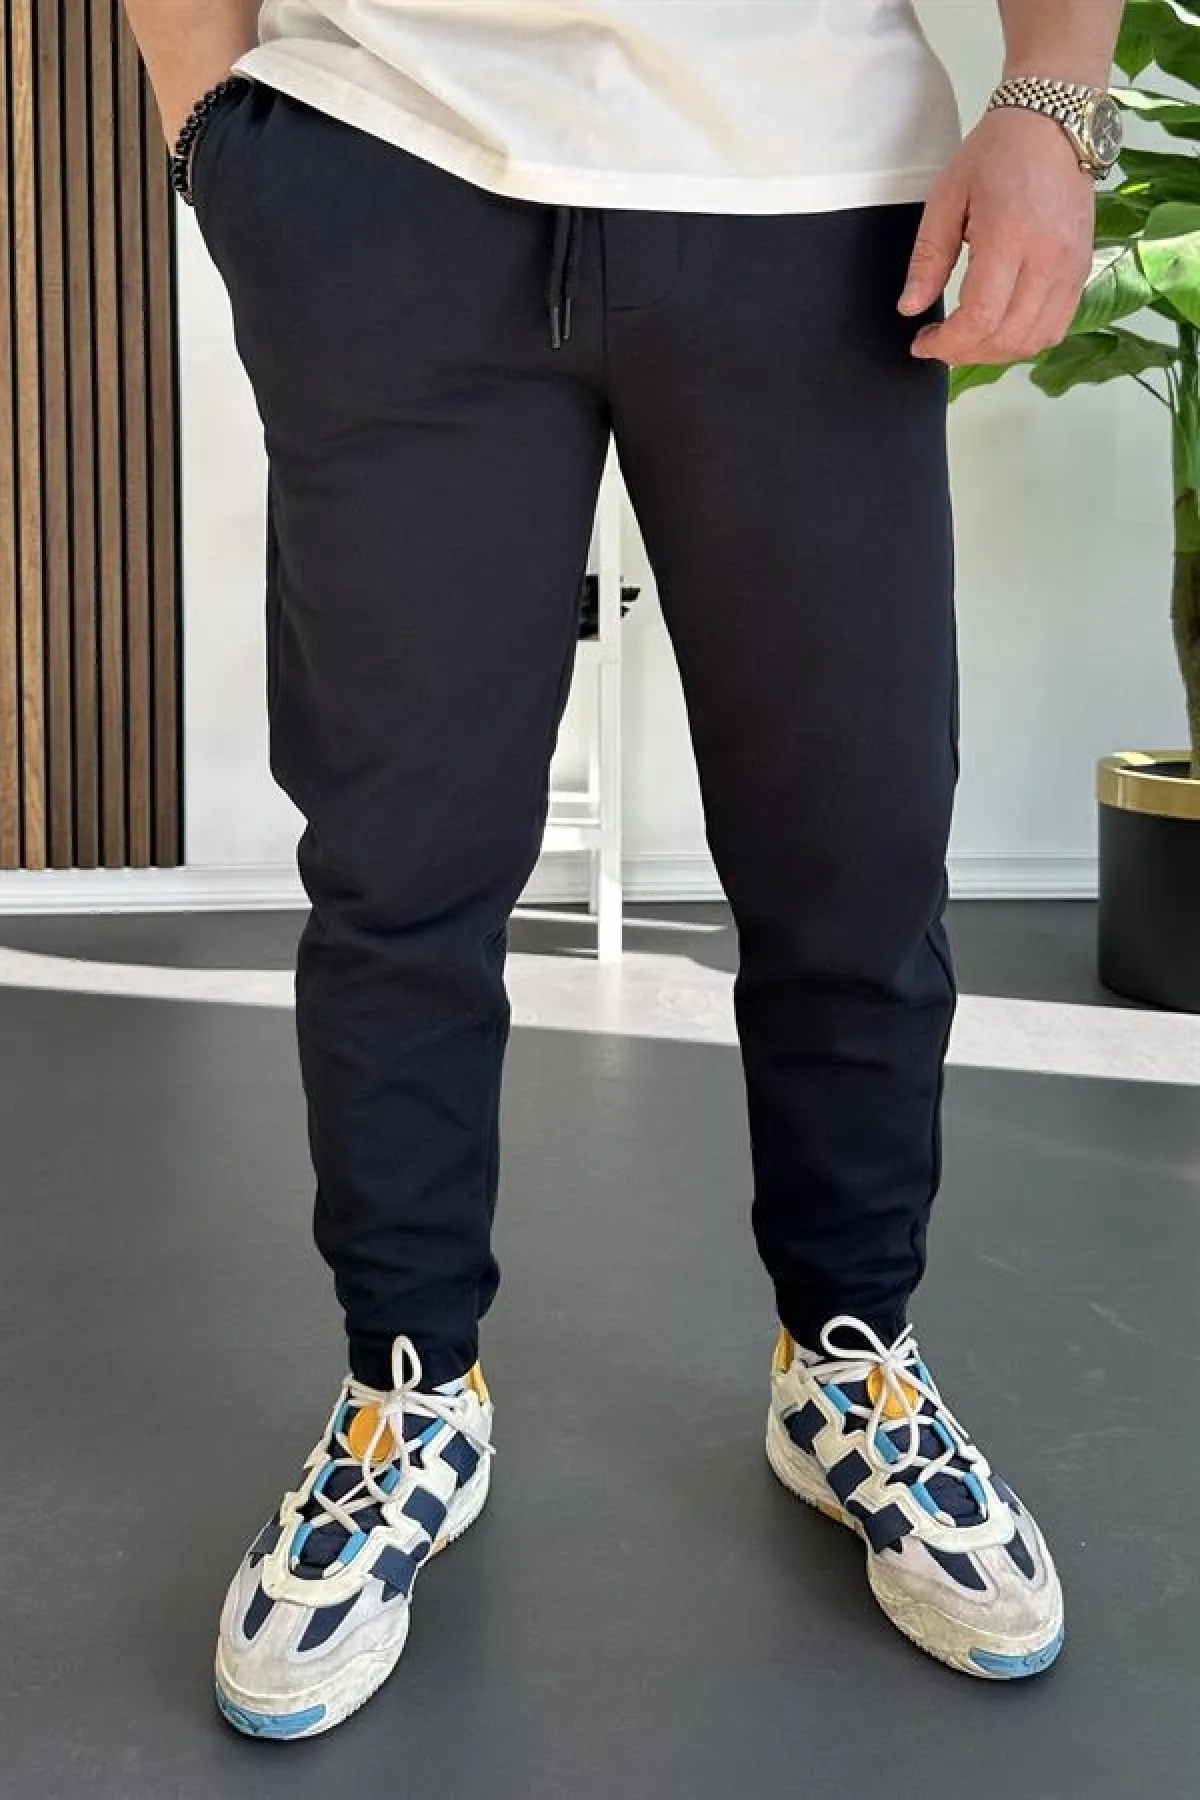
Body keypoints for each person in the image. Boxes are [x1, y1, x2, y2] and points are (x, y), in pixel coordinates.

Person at [124, 0, 1124, 1739]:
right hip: (395, 164)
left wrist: (1053, 101)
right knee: (399, 864)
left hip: (816, 195)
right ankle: (408, 1394)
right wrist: (210, 126)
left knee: (855, 849)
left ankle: (849, 1365)